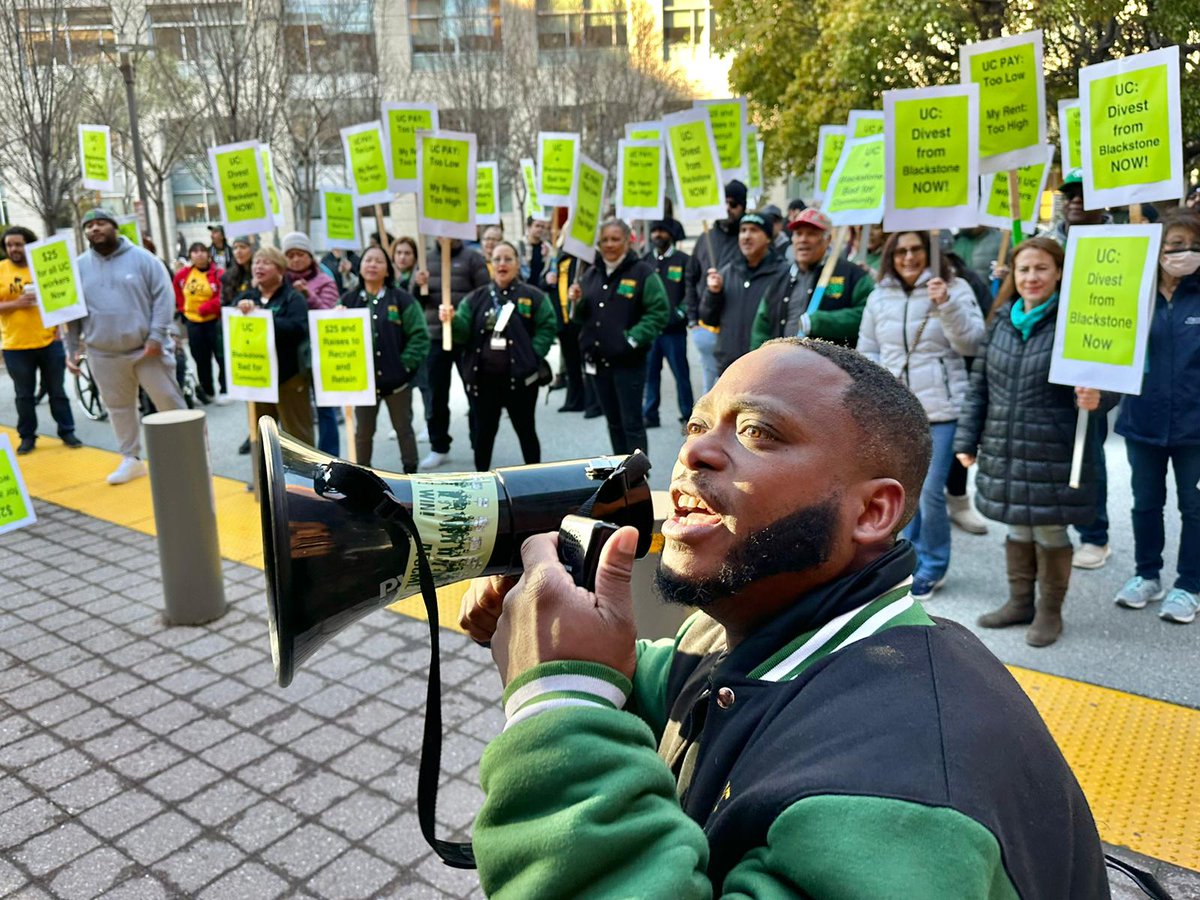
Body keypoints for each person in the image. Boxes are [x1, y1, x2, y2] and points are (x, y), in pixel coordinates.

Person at [460, 338, 1109, 898]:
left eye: (757, 433)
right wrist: (580, 652)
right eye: (696, 427)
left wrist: (560, 703)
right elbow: (698, 695)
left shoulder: (901, 807)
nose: (694, 456)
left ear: (872, 512)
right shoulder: (755, 614)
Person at [955, 237, 1113, 646]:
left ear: (1059, 272)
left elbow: (1110, 379)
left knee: (1048, 531)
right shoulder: (1001, 320)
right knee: (1017, 528)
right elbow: (979, 388)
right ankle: (1019, 602)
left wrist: (1099, 399)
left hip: (1054, 447)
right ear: (1013, 274)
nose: (1031, 277)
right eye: (1024, 269)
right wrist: (967, 438)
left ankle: (1049, 613)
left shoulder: (1079, 320)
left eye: (1041, 268)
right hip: (1005, 445)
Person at [857, 231, 983, 600]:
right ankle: (902, 561)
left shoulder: (955, 289)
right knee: (899, 491)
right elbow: (869, 351)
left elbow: (973, 342)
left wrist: (946, 305)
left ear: (930, 253)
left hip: (943, 409)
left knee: (929, 492)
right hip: (896, 413)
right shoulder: (880, 296)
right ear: (891, 256)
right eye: (901, 251)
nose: (909, 257)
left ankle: (933, 565)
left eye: (916, 249)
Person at [1112, 209, 1200, 624]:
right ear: (1156, 250)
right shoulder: (1134, 293)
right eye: (1175, 244)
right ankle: (1147, 575)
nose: (1184, 252)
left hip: (1195, 427)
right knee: (1145, 503)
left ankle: (1189, 585)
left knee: (1195, 507)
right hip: (1142, 421)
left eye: (1192, 244)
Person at [67, 208, 184, 485]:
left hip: (147, 350)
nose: (95, 229)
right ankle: (130, 459)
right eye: (89, 225)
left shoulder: (144, 259)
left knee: (170, 402)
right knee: (118, 408)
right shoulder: (78, 267)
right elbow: (69, 313)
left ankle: (191, 452)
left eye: (101, 223)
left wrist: (156, 337)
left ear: (114, 227)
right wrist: (72, 348)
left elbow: (163, 298)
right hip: (102, 353)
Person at [1048, 170, 1114, 570]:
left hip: (1093, 355)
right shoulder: (1049, 242)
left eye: (1084, 195)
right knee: (1055, 447)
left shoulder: (1122, 240)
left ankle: (1095, 535)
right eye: (1069, 194)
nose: (1074, 201)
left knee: (1089, 449)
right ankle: (1056, 525)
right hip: (1047, 357)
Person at [442, 240, 556, 471]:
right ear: (490, 264)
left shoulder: (532, 296)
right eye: (497, 259)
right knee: (483, 436)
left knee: (526, 431)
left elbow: (548, 325)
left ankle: (534, 479)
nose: (502, 264)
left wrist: (533, 355)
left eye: (508, 259)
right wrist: (451, 321)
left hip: (522, 382)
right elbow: (462, 334)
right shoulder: (475, 299)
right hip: (483, 384)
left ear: (517, 263)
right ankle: (481, 483)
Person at [569, 219, 669, 455]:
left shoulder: (643, 272)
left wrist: (630, 340)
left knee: (632, 423)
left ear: (627, 241)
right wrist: (577, 301)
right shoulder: (590, 274)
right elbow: (580, 317)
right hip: (599, 363)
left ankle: (638, 479)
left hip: (629, 364)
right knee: (613, 422)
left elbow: (659, 312)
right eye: (604, 240)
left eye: (615, 239)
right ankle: (620, 473)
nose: (609, 245)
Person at [340, 244, 428, 471]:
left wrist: (403, 366)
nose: (372, 265)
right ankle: (361, 478)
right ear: (360, 267)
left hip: (397, 383)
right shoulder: (348, 301)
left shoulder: (402, 299)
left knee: (404, 429)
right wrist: (335, 318)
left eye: (378, 261)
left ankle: (411, 476)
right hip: (362, 384)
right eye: (368, 260)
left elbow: (419, 336)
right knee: (363, 433)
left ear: (388, 270)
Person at [0, 225, 81, 453]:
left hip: (49, 342)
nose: (14, 249)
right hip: (15, 346)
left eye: (18, 244)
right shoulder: (1, 270)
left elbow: (62, 299)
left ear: (29, 244)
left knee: (58, 391)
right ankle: (27, 437)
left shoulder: (43, 267)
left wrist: (59, 332)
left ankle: (68, 431)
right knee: (24, 395)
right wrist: (15, 304)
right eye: (9, 245)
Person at [414, 237, 490, 468]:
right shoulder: (425, 260)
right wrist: (419, 285)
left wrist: (464, 321)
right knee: (436, 395)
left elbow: (484, 296)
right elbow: (416, 300)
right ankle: (439, 446)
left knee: (475, 392)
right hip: (435, 337)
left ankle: (479, 444)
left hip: (465, 337)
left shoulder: (473, 258)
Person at [750, 208, 874, 349]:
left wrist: (820, 322)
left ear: (827, 240)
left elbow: (868, 316)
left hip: (831, 368)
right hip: (782, 366)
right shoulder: (779, 279)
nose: (803, 239)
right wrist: (758, 360)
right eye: (798, 234)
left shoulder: (852, 275)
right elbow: (761, 328)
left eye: (811, 234)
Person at [233, 247, 313, 446]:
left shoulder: (293, 298)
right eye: (256, 262)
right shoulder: (246, 299)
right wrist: (240, 312)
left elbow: (299, 328)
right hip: (258, 378)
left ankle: (303, 477)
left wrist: (263, 319)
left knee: (298, 438)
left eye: (266, 262)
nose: (259, 266)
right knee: (262, 439)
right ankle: (267, 476)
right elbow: (229, 330)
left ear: (280, 270)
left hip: (289, 378)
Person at [698, 212, 786, 375]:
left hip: (766, 370)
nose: (746, 236)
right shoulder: (726, 272)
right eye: (743, 230)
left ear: (767, 238)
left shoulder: (783, 274)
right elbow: (708, 318)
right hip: (729, 369)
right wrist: (713, 293)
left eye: (754, 230)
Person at [281, 231, 340, 457]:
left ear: (310, 256)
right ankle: (300, 459)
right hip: (291, 357)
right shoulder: (280, 282)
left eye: (300, 254)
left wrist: (308, 295)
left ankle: (329, 459)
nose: (295, 259)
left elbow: (329, 317)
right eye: (290, 255)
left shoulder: (325, 281)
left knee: (326, 409)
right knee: (296, 411)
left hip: (320, 353)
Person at [685, 180, 746, 393]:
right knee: (710, 389)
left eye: (734, 204)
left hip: (737, 329)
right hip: (706, 327)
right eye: (724, 203)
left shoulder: (746, 238)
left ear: (743, 207)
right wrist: (693, 320)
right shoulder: (705, 239)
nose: (728, 209)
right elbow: (691, 278)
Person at [641, 220, 694, 432]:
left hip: (674, 333)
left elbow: (690, 292)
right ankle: (650, 414)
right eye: (654, 230)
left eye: (662, 230)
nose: (657, 235)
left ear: (670, 234)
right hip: (652, 332)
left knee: (681, 375)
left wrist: (680, 312)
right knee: (650, 375)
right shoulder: (644, 261)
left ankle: (688, 417)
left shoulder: (683, 260)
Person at [172, 241, 229, 406]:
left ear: (208, 254)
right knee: (200, 358)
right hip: (193, 323)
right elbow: (177, 294)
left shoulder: (218, 274)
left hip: (214, 322)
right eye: (195, 251)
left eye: (202, 251)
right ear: (190, 256)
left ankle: (225, 389)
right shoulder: (182, 276)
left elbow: (224, 295)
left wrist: (208, 307)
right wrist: (183, 310)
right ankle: (208, 390)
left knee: (220, 356)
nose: (199, 254)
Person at [518, 216, 550, 285]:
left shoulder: (547, 247)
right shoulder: (519, 246)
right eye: (537, 226)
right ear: (529, 227)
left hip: (540, 289)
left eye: (542, 227)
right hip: (524, 287)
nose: (540, 229)